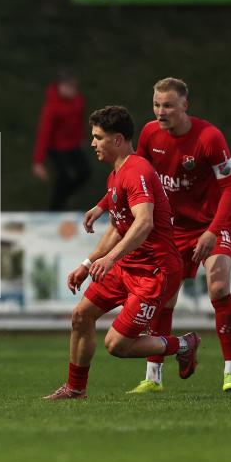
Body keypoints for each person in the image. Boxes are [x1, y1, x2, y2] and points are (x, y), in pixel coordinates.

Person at [84, 78, 231, 393]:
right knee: (164, 300)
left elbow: (230, 185)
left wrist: (213, 230)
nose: (160, 111)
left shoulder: (209, 138)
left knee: (218, 286)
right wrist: (104, 205)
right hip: (174, 228)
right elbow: (134, 170)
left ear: (185, 105)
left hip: (211, 223)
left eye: (168, 105)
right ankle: (153, 377)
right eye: (157, 105)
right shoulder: (149, 133)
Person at [44, 105, 198, 400]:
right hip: (128, 266)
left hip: (155, 271)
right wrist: (88, 263)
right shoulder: (116, 175)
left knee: (117, 346)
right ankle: (75, 388)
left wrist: (110, 258)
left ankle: (183, 345)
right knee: (80, 316)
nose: (92, 143)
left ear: (117, 140)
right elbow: (118, 229)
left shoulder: (136, 171)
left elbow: (144, 222)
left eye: (98, 137)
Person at [32, 71, 90, 211]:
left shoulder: (78, 100)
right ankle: (55, 208)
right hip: (56, 147)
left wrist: (82, 138)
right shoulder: (52, 107)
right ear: (61, 87)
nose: (72, 91)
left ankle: (62, 198)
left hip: (73, 145)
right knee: (64, 176)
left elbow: (79, 121)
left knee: (85, 171)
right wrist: (38, 162)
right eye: (69, 87)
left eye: (74, 87)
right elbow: (44, 134)